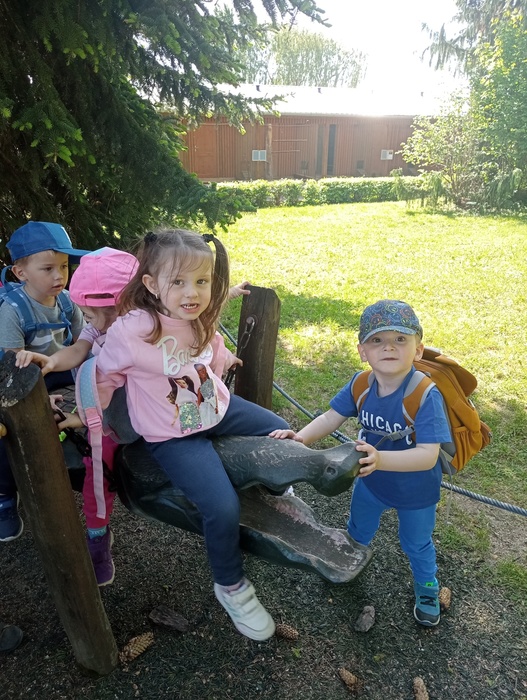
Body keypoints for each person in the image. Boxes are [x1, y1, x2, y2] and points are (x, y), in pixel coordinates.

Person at [92, 228, 288, 640]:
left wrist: (224, 356)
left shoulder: (197, 314)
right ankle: (231, 587)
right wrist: (87, 412)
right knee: (222, 507)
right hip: (172, 434)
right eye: (178, 281)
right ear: (152, 284)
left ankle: (272, 490)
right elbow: (105, 376)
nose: (192, 292)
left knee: (281, 431)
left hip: (214, 407)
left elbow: (209, 344)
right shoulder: (132, 331)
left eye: (201, 281)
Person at [270, 300, 451, 627]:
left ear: (418, 349)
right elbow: (331, 418)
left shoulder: (425, 395)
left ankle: (427, 586)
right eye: (377, 340)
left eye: (400, 339)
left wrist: (381, 459)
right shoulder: (361, 385)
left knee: (416, 542)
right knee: (358, 530)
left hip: (417, 491)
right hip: (371, 482)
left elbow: (428, 455)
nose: (389, 347)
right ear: (363, 352)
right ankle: (349, 561)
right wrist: (300, 438)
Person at [16, 247, 139, 587]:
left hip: (145, 411)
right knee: (96, 467)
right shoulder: (99, 326)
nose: (93, 324)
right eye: (87, 315)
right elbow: (79, 349)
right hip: (109, 415)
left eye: (98, 316)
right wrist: (52, 362)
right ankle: (98, 535)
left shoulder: (147, 329)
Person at [0, 221, 88, 543]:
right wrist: (37, 400)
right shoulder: (13, 311)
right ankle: (4, 494)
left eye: (64, 266)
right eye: (48, 268)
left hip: (59, 367)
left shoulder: (66, 301)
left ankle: (96, 469)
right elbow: (12, 370)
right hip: (22, 377)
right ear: (20, 272)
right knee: (7, 432)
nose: (59, 276)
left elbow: (84, 344)